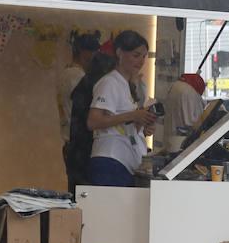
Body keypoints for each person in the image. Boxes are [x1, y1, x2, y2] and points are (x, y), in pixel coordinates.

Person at [86, 31, 156, 188]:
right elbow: (93, 121)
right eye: (136, 55)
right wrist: (133, 115)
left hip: (126, 161)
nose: (141, 61)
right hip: (110, 160)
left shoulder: (128, 85)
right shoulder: (110, 82)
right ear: (119, 53)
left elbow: (125, 123)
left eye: (144, 56)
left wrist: (143, 123)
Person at [64, 52, 117, 192]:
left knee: (78, 195)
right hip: (87, 151)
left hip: (75, 148)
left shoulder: (83, 85)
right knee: (88, 196)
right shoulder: (96, 89)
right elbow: (93, 123)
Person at [58, 32, 100, 149]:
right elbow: (88, 110)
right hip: (79, 142)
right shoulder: (78, 76)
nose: (96, 59)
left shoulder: (66, 72)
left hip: (70, 140)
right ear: (85, 53)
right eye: (95, 53)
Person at [160, 73, 207, 152]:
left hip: (170, 141)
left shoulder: (175, 86)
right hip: (184, 146)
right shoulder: (190, 93)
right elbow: (195, 122)